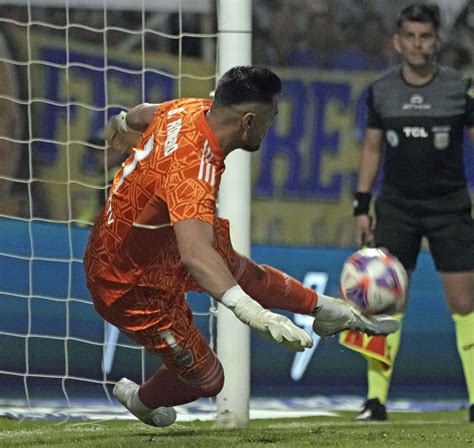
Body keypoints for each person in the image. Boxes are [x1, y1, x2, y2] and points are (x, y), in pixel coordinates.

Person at [83, 65, 399, 427]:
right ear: (249, 121)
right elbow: (195, 254)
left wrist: (121, 126)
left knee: (239, 270)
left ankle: (328, 311)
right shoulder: (193, 168)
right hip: (127, 280)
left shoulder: (188, 108)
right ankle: (140, 400)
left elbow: (140, 113)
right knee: (208, 378)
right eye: (270, 118)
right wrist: (254, 315)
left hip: (147, 234)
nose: (271, 126)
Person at [345, 4, 474, 422]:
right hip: (396, 206)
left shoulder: (460, 89)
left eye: (426, 36)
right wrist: (361, 206)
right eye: (411, 36)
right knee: (383, 303)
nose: (418, 44)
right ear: (397, 41)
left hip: (450, 206)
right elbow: (371, 148)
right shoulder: (381, 90)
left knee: (464, 302)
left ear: (437, 40)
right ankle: (375, 400)